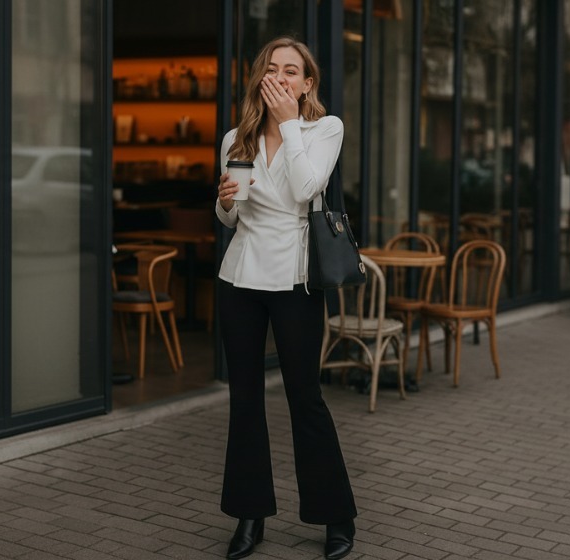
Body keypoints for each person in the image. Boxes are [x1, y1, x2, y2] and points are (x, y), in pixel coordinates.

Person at [213, 37, 357, 560]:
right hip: (240, 279)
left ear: (306, 83)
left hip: (295, 280)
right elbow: (230, 218)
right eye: (272, 69)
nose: (280, 77)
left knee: (305, 397)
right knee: (245, 400)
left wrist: (289, 122)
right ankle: (249, 516)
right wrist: (224, 202)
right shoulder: (237, 137)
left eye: (291, 71)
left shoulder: (324, 128)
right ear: (260, 77)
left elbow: (305, 189)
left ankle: (336, 515)